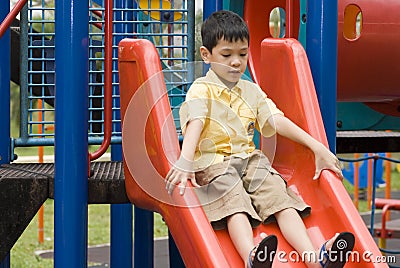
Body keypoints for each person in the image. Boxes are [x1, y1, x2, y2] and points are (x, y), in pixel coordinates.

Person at [165, 10, 355, 268]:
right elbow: (195, 122)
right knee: (234, 201)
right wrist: (185, 159)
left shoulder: (250, 90)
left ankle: (314, 258)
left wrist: (317, 147)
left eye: (242, 54)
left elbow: (276, 120)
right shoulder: (201, 89)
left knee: (280, 198)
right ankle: (251, 257)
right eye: (226, 55)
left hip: (250, 161)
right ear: (206, 55)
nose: (236, 62)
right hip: (214, 164)